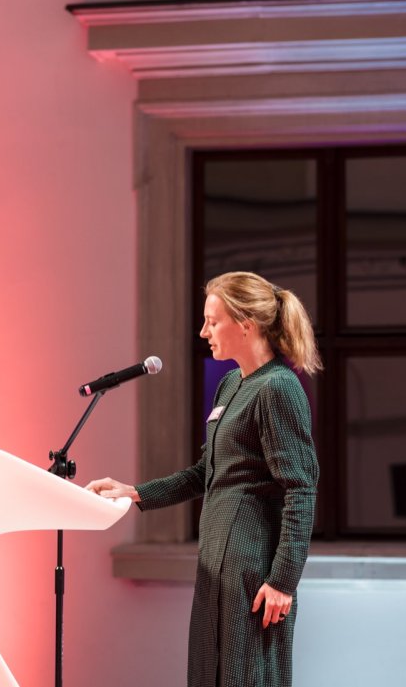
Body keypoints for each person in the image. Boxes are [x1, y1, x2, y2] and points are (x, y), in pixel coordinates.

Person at [86, 271, 320, 687]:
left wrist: (283, 580)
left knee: (247, 678)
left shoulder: (278, 388)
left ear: (245, 324)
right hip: (216, 562)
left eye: (213, 321)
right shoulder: (231, 385)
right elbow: (204, 473)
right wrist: (135, 492)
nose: (203, 331)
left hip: (253, 569)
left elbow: (300, 489)